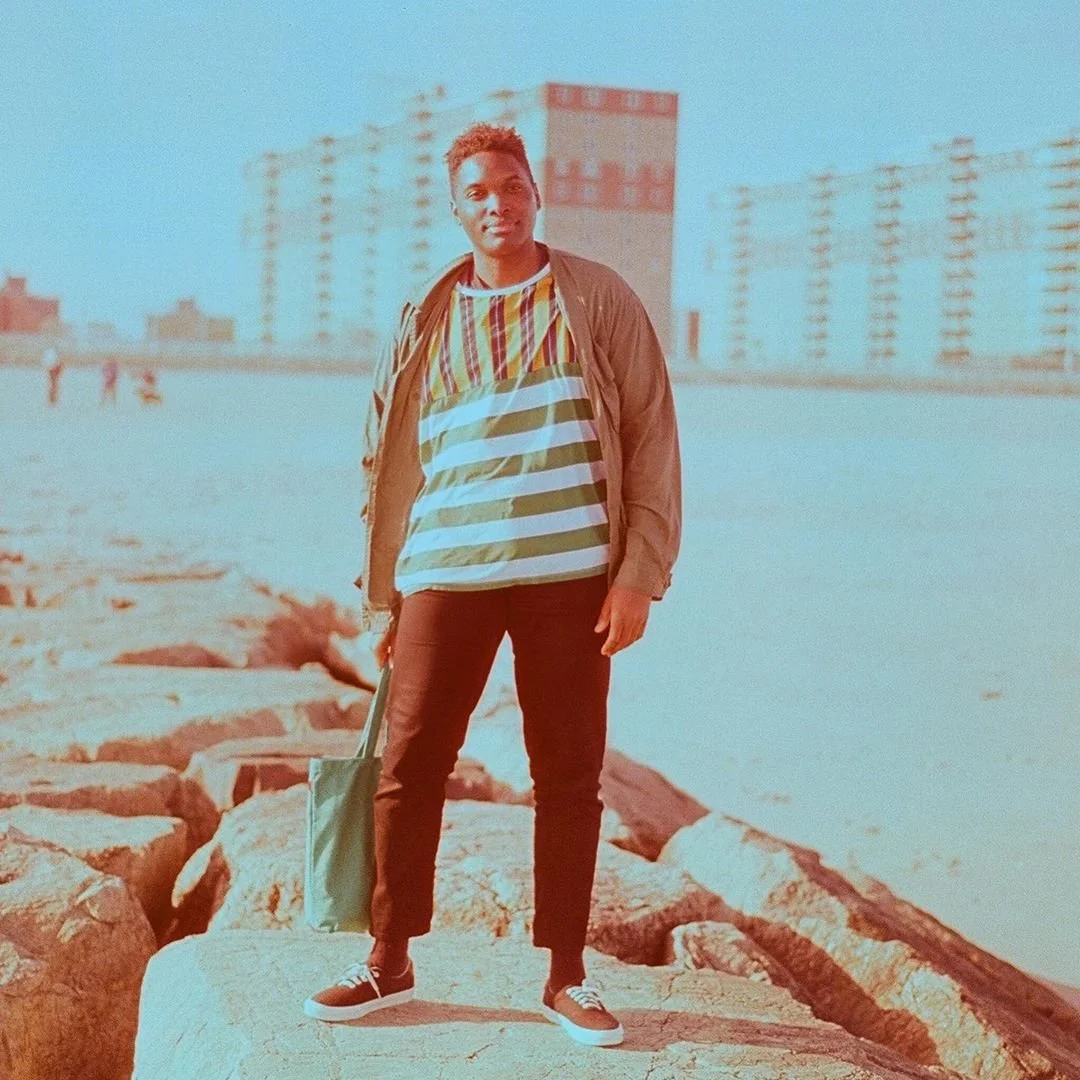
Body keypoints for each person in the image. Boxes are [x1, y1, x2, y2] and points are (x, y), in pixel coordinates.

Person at [303, 123, 682, 1048]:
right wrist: (384, 595)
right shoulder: (424, 316)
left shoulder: (595, 296)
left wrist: (640, 575)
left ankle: (566, 975)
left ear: (535, 193)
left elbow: (651, 436)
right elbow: (383, 455)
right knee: (408, 765)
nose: (496, 204)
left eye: (509, 186)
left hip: (569, 575)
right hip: (445, 569)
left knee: (567, 774)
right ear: (456, 207)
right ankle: (386, 959)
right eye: (476, 192)